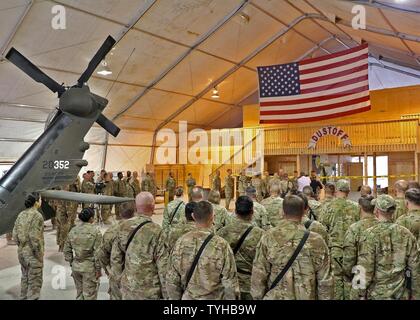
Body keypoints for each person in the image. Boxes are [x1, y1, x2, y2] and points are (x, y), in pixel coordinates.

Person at [251, 195, 333, 300]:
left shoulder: (269, 237)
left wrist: (257, 297)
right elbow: (325, 279)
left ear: (282, 212)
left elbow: (259, 272)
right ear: (304, 212)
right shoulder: (316, 240)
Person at [166, 201, 240, 300]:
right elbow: (230, 283)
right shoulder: (222, 245)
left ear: (193, 216)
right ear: (213, 217)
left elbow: (172, 280)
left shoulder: (180, 243)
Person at [355, 195, 419, 300]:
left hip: (377, 294)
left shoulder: (369, 235)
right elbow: (415, 268)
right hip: (401, 293)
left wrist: (359, 294)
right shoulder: (406, 234)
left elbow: (365, 269)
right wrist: (416, 294)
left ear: (376, 211)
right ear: (393, 212)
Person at [111, 192, 168, 299]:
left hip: (128, 288)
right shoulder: (157, 232)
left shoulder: (123, 227)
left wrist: (119, 282)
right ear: (153, 207)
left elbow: (115, 259)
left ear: (136, 207)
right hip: (150, 291)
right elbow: (163, 267)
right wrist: (166, 295)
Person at [217, 196, 264, 300]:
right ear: (252, 212)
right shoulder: (260, 235)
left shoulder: (222, 232)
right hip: (250, 285)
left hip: (227, 285)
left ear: (235, 211)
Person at [320, 179, 359, 300]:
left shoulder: (327, 207)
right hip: (351, 249)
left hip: (334, 249)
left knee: (336, 278)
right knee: (350, 278)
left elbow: (321, 228)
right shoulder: (356, 207)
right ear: (348, 191)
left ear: (336, 190)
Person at [342, 196, 379, 300]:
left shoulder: (354, 228)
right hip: (380, 279)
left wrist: (348, 274)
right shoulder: (382, 226)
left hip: (360, 277)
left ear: (360, 208)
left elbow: (349, 258)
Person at [98, 203, 135, 300]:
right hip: (137, 277)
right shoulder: (143, 229)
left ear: (120, 213)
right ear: (135, 213)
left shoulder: (111, 231)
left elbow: (102, 254)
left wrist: (109, 271)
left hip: (117, 275)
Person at [64, 208, 102, 300]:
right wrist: (98, 269)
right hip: (89, 268)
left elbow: (66, 250)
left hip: (76, 266)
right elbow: (98, 253)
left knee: (79, 294)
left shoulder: (73, 230)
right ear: (91, 218)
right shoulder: (95, 232)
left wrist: (71, 262)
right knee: (90, 296)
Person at [13, 193, 44, 300]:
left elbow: (14, 235)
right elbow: (34, 237)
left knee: (25, 277)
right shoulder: (37, 216)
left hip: (21, 251)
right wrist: (39, 254)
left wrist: (21, 246)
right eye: (39, 199)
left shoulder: (21, 214)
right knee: (35, 281)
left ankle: (23, 297)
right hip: (32, 253)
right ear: (36, 202)